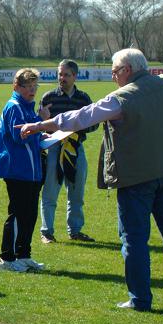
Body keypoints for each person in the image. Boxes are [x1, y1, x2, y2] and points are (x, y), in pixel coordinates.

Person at [17, 19, 163, 311]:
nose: (113, 77)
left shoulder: (120, 99)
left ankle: (140, 300)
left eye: (115, 71)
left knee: (134, 240)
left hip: (136, 180)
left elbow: (80, 117)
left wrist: (40, 125)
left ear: (127, 70)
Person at [0, 68, 50, 272]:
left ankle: (23, 254)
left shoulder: (27, 108)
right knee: (17, 213)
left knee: (30, 213)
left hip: (32, 170)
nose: (32, 90)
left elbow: (32, 136)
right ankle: (6, 258)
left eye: (35, 87)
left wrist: (42, 133)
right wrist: (41, 122)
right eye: (27, 86)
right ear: (16, 86)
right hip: (18, 170)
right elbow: (20, 136)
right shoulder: (15, 107)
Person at [39, 59, 99, 244]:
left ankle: (75, 230)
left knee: (76, 193)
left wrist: (79, 130)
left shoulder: (84, 99)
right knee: (50, 192)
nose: (62, 78)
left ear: (75, 76)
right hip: (55, 149)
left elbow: (94, 124)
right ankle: (46, 232)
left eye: (66, 74)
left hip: (76, 150)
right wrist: (43, 120)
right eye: (60, 74)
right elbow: (39, 125)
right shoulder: (49, 97)